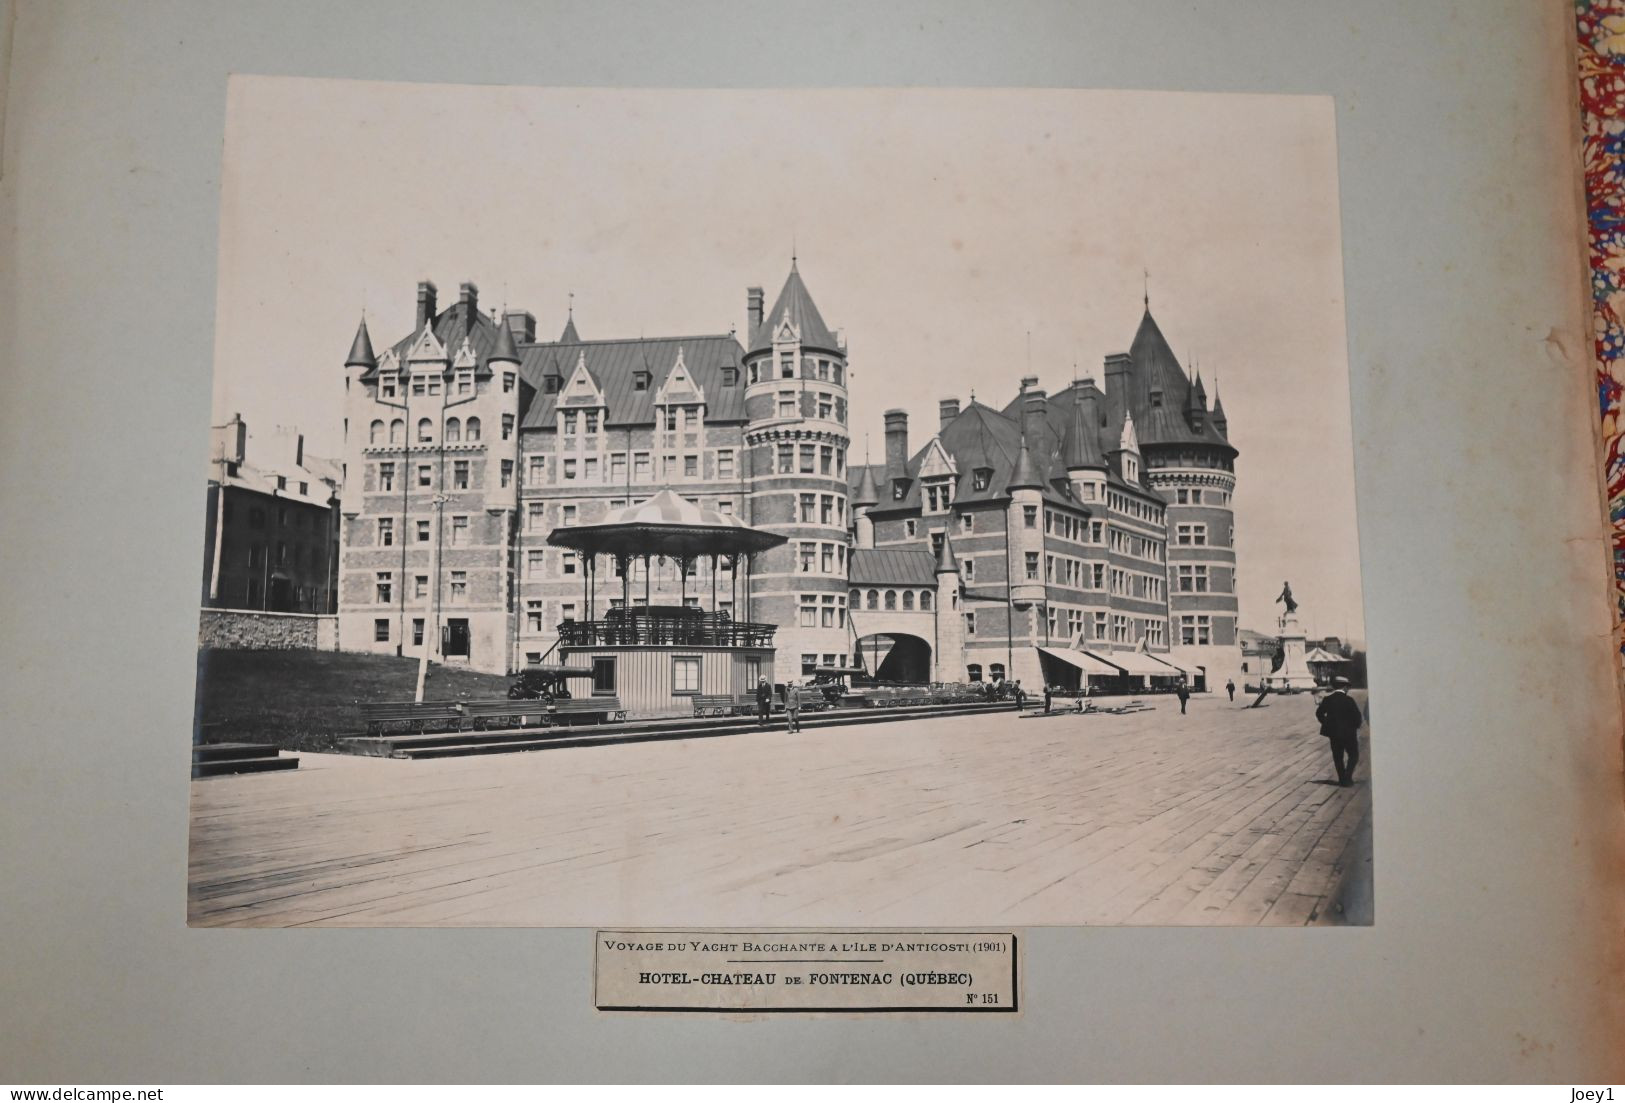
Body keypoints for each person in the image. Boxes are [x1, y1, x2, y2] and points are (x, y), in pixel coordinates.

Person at [1315, 676, 1364, 787]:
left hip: (1334, 734)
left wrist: (1326, 724)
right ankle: (1347, 777)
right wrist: (1354, 727)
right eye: (1348, 687)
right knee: (1354, 755)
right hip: (1349, 734)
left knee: (1338, 757)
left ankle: (1342, 779)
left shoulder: (1328, 700)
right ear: (1345, 687)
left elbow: (1319, 714)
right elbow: (1357, 717)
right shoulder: (1349, 700)